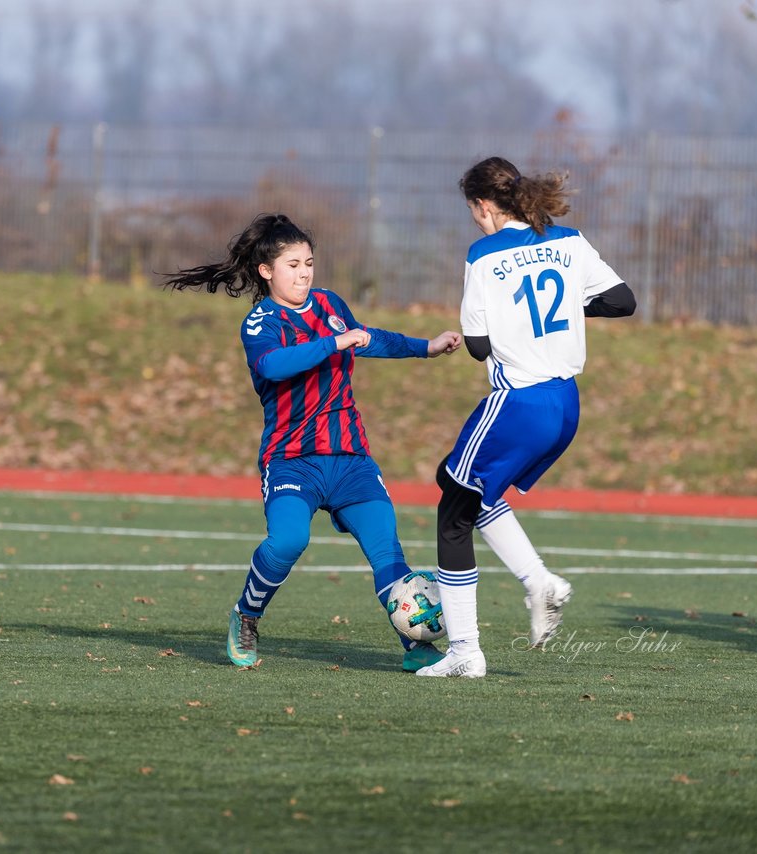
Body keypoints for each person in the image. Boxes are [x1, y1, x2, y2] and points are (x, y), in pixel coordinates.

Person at [162, 213, 463, 671]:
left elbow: (368, 339)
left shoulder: (329, 304)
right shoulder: (260, 321)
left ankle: (415, 641)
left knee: (388, 553)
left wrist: (426, 346)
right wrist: (334, 342)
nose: (304, 273)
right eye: (293, 265)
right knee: (287, 541)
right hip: (292, 460)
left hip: (350, 460)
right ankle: (246, 615)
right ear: (266, 271)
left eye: (309, 263)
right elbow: (274, 366)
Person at [416, 156, 636, 678]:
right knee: (464, 485)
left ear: (484, 205)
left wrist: (508, 324)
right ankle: (539, 583)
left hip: (519, 400)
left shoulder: (483, 254)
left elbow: (475, 345)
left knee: (452, 514)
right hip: (565, 405)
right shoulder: (569, 240)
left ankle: (467, 652)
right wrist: (564, 313)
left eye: (473, 210)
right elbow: (622, 301)